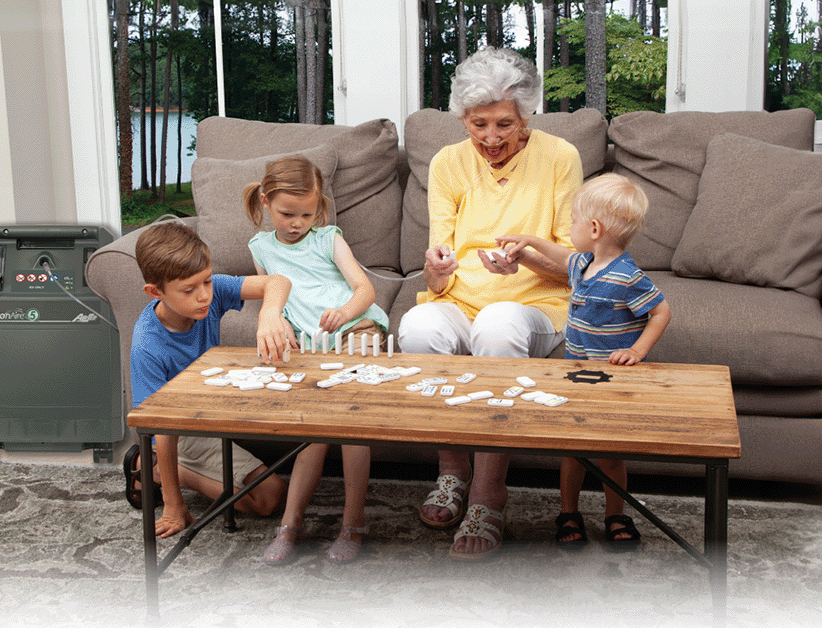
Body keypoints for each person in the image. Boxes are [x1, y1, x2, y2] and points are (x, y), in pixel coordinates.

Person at [398, 46, 583, 560]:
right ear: (463, 119)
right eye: (479, 124)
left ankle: (488, 492)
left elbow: (574, 265)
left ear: (527, 117)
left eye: (505, 124)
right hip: (463, 297)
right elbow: (440, 268)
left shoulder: (560, 158)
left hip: (538, 303)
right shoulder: (447, 163)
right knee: (417, 327)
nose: (492, 138)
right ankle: (452, 472)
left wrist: (527, 260)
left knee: (498, 327)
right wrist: (436, 273)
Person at [498, 173, 671, 549]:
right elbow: (562, 255)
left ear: (593, 228)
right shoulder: (584, 263)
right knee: (572, 450)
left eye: (574, 222)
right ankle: (568, 511)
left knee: (609, 455)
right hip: (576, 376)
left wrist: (638, 351)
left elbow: (661, 312)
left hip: (612, 381)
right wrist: (528, 241)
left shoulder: (628, 277)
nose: (570, 229)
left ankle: (615, 514)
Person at [243, 155, 389, 564]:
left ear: (319, 208)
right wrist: (281, 323)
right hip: (309, 342)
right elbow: (273, 299)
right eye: (288, 214)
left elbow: (365, 289)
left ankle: (353, 523)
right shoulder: (260, 247)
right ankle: (290, 524)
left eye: (307, 214)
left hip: (356, 330)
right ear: (267, 202)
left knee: (351, 420)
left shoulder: (328, 239)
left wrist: (345, 312)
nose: (297, 223)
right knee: (313, 426)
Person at [125, 221, 296, 539]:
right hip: (179, 431)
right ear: (155, 291)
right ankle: (162, 472)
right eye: (189, 290)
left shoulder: (209, 291)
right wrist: (173, 504)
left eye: (206, 281)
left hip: (212, 410)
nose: (204, 296)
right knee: (269, 496)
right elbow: (158, 426)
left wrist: (270, 314)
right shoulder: (148, 344)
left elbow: (278, 281)